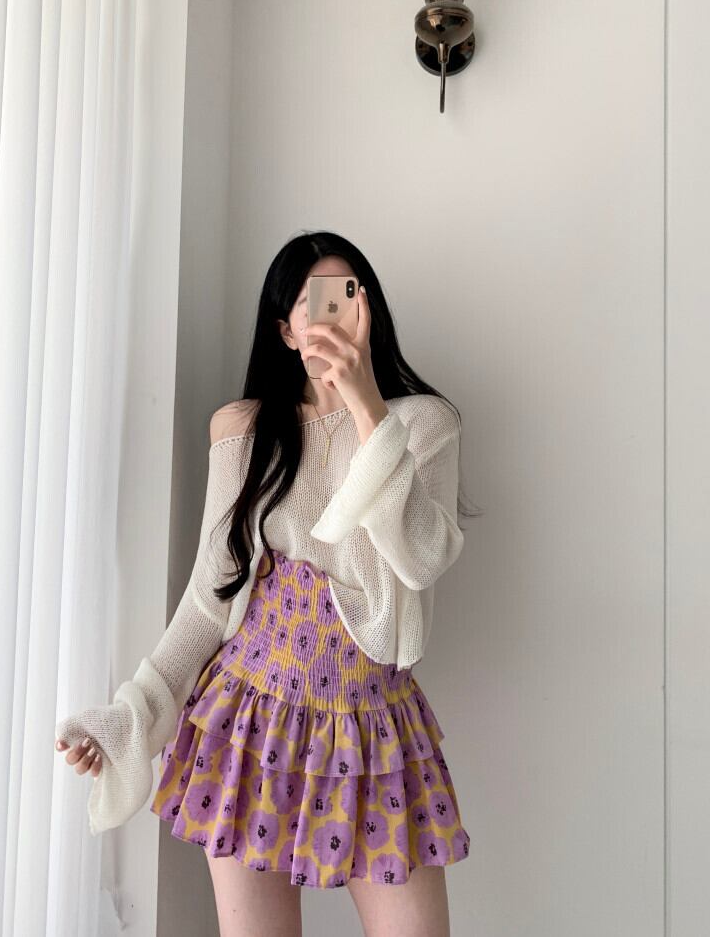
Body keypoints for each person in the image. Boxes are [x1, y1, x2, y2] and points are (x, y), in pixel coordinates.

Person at [55, 231, 475, 937]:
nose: (335, 314)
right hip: (248, 726)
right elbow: (208, 597)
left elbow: (422, 557)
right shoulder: (244, 430)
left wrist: (367, 406)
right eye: (314, 303)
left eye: (349, 295)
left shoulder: (423, 422)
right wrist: (132, 716)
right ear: (285, 329)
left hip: (372, 731)